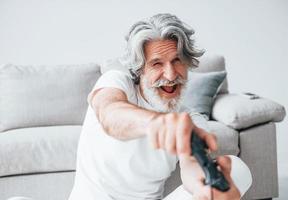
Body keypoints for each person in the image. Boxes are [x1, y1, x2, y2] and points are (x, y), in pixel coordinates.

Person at [68, 13, 252, 200]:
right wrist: (158, 124)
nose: (171, 75)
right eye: (157, 64)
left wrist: (206, 188)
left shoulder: (190, 120)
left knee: (237, 168)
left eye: (177, 60)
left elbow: (192, 168)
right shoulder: (116, 82)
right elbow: (111, 115)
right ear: (140, 69)